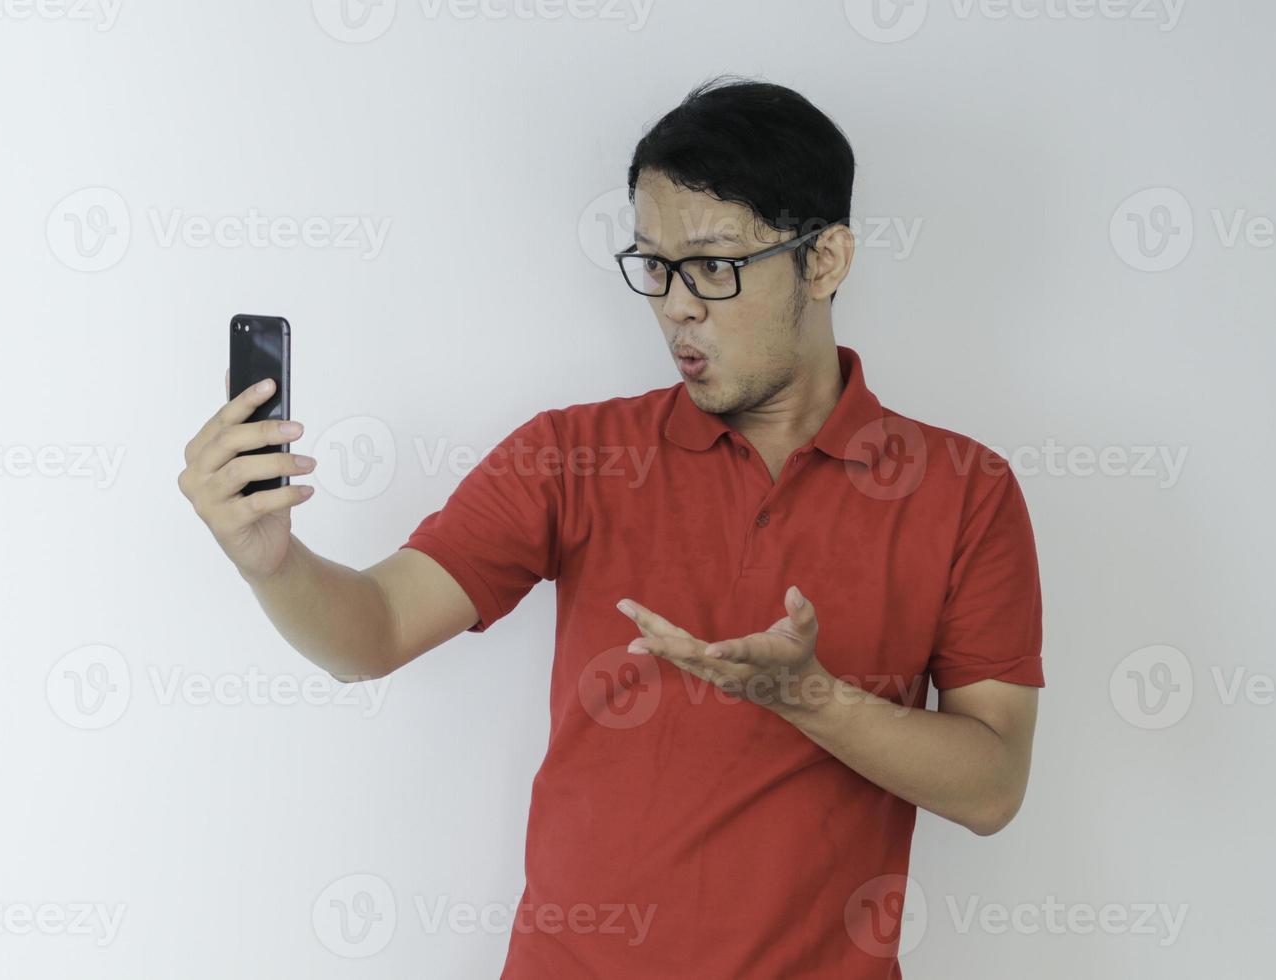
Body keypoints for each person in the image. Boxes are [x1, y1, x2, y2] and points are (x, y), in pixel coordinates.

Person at [177, 75, 1044, 979]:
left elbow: (991, 787)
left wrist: (808, 696)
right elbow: (376, 632)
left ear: (824, 261)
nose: (676, 305)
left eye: (714, 266)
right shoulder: (573, 454)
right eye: (653, 266)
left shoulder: (963, 491)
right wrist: (272, 564)